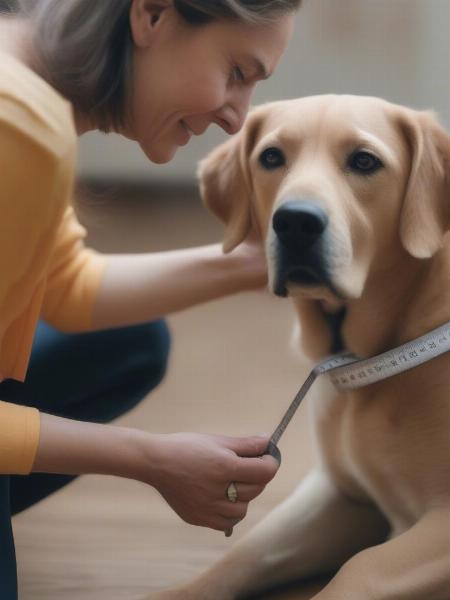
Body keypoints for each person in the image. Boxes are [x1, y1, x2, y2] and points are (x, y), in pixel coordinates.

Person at [0, 0, 300, 597]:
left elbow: (61, 283)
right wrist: (153, 460)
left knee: (132, 342)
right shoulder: (19, 128)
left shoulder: (22, 77)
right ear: (153, 14)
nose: (239, 118)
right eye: (237, 72)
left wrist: (256, 260)